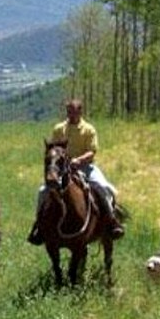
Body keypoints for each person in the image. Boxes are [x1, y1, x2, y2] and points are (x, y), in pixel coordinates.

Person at [27, 98, 125, 245]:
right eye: (69, 112)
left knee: (102, 186)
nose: (71, 115)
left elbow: (92, 152)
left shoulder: (89, 130)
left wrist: (78, 160)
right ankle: (39, 226)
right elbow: (53, 148)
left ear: (80, 111)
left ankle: (112, 222)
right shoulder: (59, 129)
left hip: (85, 166)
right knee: (43, 191)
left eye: (74, 112)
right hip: (62, 168)